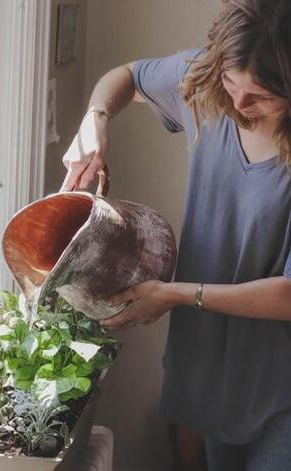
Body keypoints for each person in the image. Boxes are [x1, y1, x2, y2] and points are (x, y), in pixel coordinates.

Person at [60, 1, 291, 470]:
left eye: (263, 96)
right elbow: (126, 76)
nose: (240, 107)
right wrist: (97, 118)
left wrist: (173, 295)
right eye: (231, 84)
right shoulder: (204, 87)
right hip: (207, 374)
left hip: (280, 386)